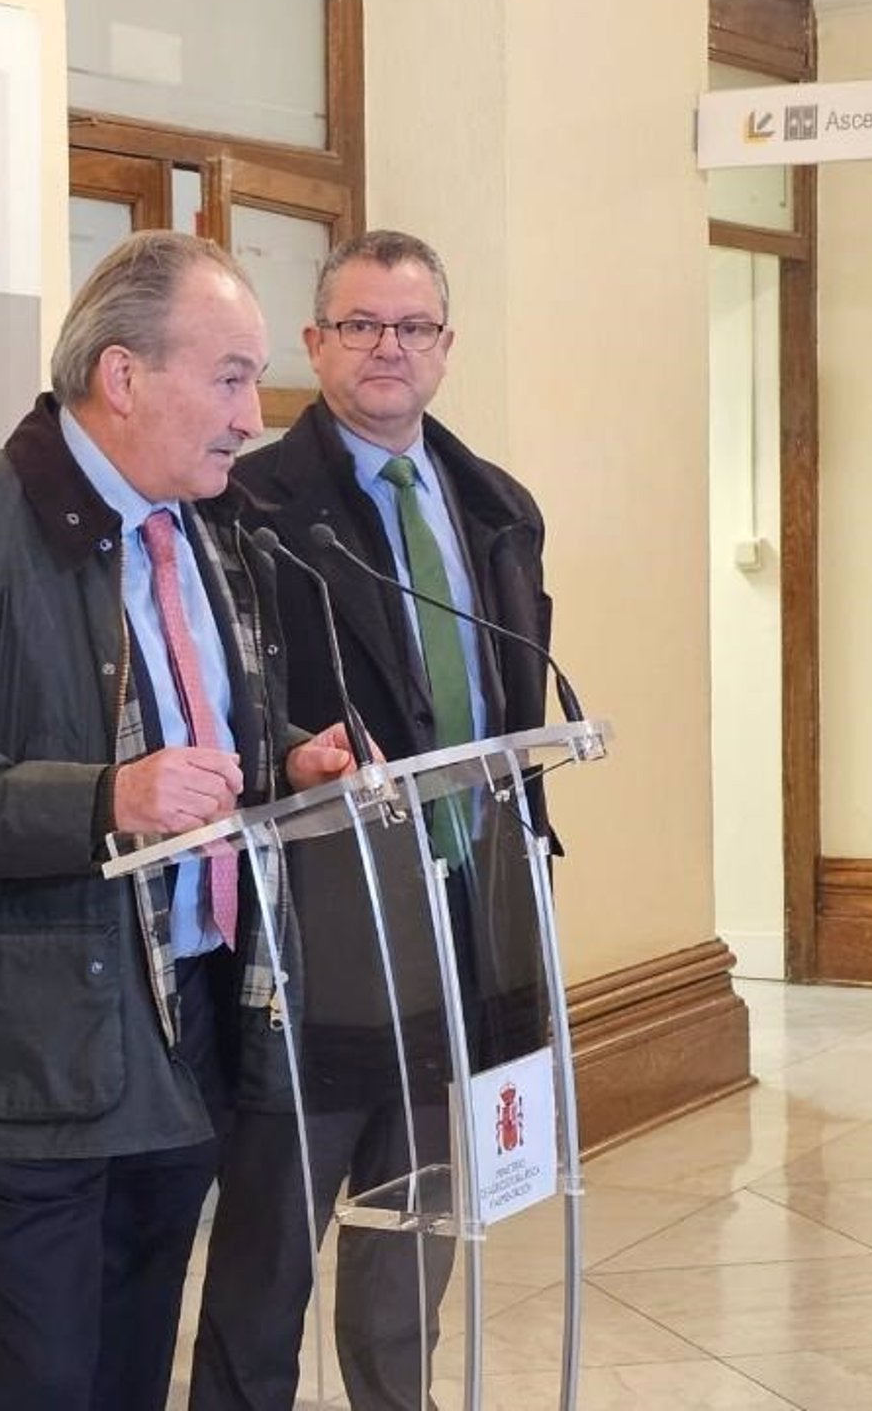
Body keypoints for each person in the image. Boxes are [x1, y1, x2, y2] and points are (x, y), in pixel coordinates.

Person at [0, 230, 359, 1411]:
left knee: (128, 1366)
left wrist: (288, 762)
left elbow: (202, 735)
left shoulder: (206, 527)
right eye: (228, 375)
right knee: (44, 1379)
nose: (250, 409)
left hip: (187, 1023)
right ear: (123, 377)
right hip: (24, 1043)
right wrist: (102, 802)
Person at [191, 230, 557, 1410]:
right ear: (314, 344)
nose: (386, 349)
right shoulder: (246, 506)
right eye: (359, 325)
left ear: (447, 348)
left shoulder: (497, 505)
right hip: (321, 935)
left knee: (420, 1232)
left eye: (411, 328)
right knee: (269, 1255)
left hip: (470, 918)